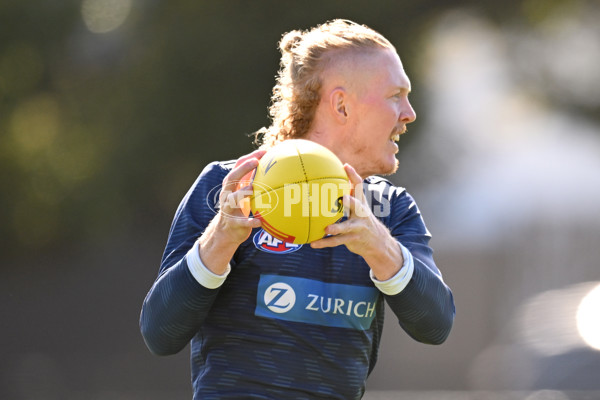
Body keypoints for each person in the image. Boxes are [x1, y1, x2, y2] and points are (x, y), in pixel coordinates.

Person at [140, 19, 455, 400]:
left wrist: (377, 245)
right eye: (395, 96)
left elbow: (436, 325)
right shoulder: (230, 189)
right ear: (341, 104)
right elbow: (160, 333)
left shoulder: (390, 210)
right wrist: (222, 237)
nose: (409, 113)